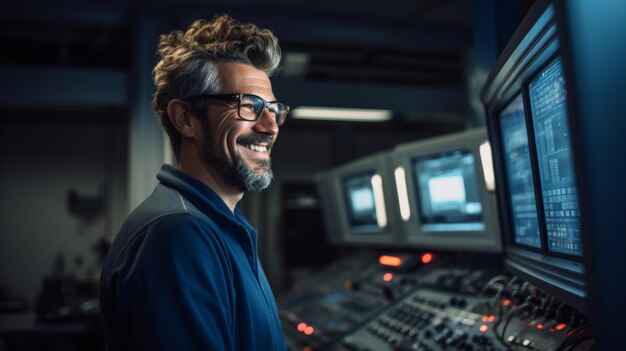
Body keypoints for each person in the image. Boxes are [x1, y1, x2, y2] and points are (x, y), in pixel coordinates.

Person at [99, 15, 288, 350]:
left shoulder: (217, 223)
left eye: (273, 109)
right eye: (250, 106)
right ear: (186, 119)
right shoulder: (179, 234)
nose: (271, 126)